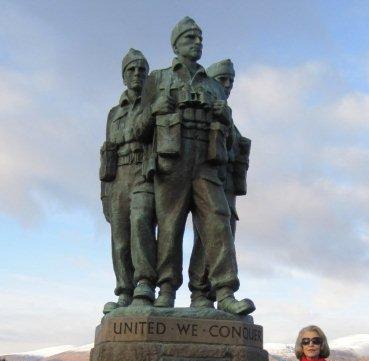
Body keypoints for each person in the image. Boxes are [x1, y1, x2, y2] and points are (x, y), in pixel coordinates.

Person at [134, 17, 254, 315]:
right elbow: (138, 130)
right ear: (175, 44)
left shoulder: (213, 85)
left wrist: (222, 115)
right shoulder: (158, 79)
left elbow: (229, 133)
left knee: (218, 221)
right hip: (171, 161)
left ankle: (223, 291)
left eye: (200, 38)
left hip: (206, 162)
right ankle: (166, 289)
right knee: (170, 227)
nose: (197, 42)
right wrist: (153, 111)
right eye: (190, 37)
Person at [188, 58, 251, 307]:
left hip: (227, 190)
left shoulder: (229, 119)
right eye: (222, 79)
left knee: (217, 237)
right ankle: (201, 291)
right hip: (202, 180)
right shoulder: (204, 113)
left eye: (231, 81)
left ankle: (206, 294)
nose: (227, 85)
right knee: (208, 235)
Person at [100, 48, 157, 313]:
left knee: (140, 221)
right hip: (118, 178)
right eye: (131, 70)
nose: (137, 74)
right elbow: (107, 153)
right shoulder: (114, 113)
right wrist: (105, 194)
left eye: (141, 70)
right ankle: (124, 292)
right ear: (124, 76)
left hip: (143, 172)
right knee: (120, 237)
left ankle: (145, 283)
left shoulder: (153, 104)